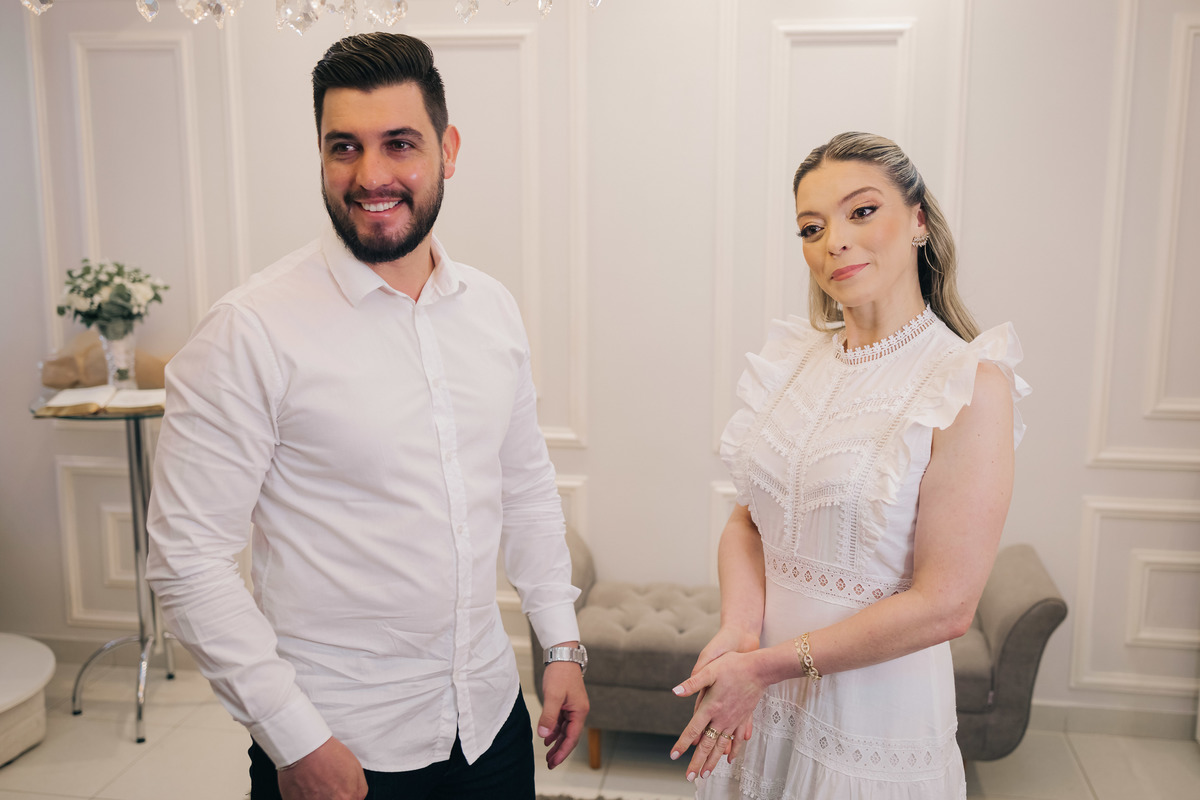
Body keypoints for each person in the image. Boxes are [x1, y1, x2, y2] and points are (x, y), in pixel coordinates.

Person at [146, 32, 589, 800]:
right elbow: (186, 561)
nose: (370, 175)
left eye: (400, 144)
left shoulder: (491, 309)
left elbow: (524, 487)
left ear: (449, 150)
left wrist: (561, 645)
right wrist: (294, 739)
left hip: (491, 722)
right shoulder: (249, 330)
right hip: (338, 743)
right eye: (343, 147)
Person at [670, 132, 1030, 798]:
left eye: (861, 211)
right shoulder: (792, 363)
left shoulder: (968, 383)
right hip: (761, 696)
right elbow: (748, 522)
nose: (834, 241)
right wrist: (740, 633)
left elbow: (946, 606)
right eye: (812, 227)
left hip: (873, 717)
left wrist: (768, 666)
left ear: (918, 220)